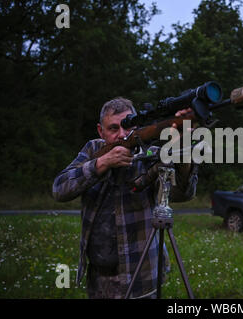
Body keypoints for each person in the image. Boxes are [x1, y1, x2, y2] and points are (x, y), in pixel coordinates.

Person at [52, 97, 198, 299]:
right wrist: (102, 164)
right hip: (98, 277)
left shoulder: (150, 154)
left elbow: (183, 193)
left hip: (142, 279)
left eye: (128, 126)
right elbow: (60, 189)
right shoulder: (93, 150)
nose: (122, 134)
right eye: (113, 128)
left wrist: (183, 152)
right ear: (100, 131)